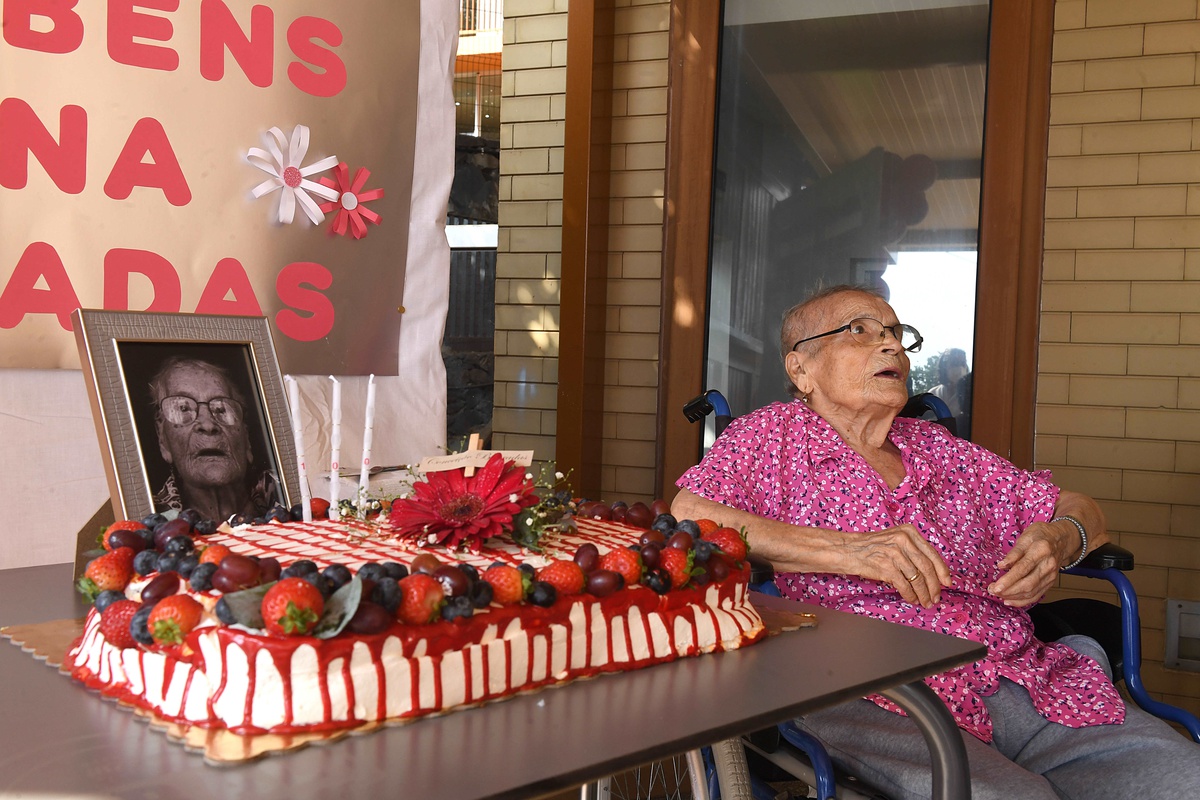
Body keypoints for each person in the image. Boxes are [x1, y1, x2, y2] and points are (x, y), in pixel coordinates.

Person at [673, 285, 1200, 800]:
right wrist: (849, 550)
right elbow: (690, 514)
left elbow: (1081, 507)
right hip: (867, 686)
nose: (892, 345)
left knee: (1182, 779)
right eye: (860, 330)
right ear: (801, 368)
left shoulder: (938, 448)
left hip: (1017, 673)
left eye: (898, 334)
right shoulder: (772, 437)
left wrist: (1059, 538)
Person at [149, 356, 278, 523]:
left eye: (222, 409)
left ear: (246, 439)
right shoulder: (152, 521)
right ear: (163, 439)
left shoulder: (287, 498)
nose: (208, 424)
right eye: (183, 408)